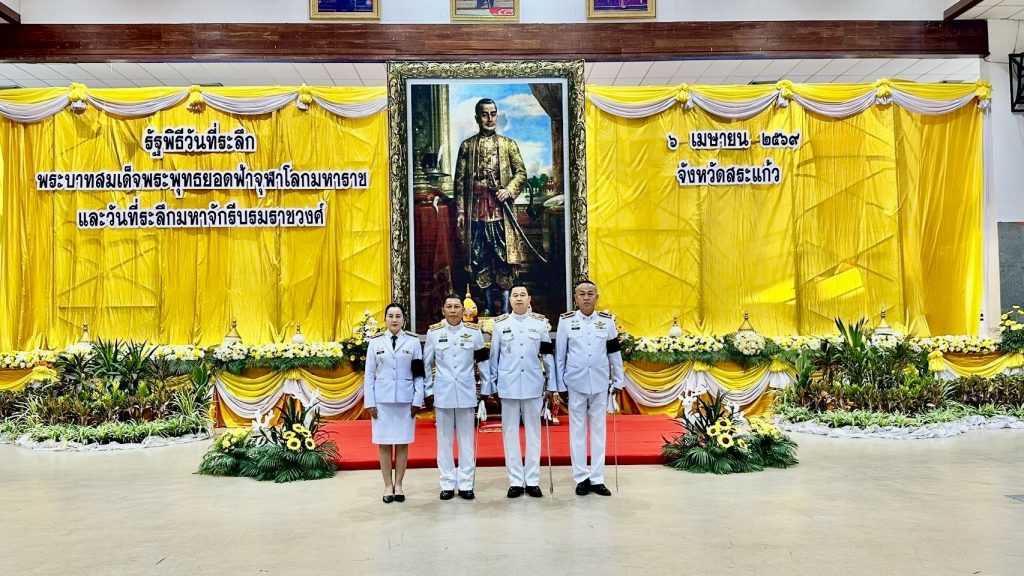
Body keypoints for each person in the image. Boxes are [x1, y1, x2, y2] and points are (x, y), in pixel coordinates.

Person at [453, 98, 528, 317]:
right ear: (477, 118)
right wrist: (460, 211)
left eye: (493, 114)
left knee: (503, 260)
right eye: (485, 114)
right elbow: (459, 183)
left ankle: (504, 308)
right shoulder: (467, 146)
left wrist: (509, 190)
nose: (489, 119)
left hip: (500, 214)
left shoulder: (508, 144)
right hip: (476, 215)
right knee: (480, 260)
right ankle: (486, 307)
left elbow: (521, 173)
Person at [482, 285, 558, 498]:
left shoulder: (540, 324)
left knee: (534, 433)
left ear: (529, 298)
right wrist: (492, 386)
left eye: (522, 295)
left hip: (533, 385)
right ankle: (515, 480)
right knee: (510, 434)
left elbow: (547, 356)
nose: (518, 298)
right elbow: (494, 358)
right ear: (510, 300)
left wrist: (552, 385)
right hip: (508, 386)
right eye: (515, 295)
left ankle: (532, 480)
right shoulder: (500, 325)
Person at [555, 280, 624, 497]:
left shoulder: (606, 322)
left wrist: (618, 381)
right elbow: (560, 355)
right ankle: (581, 477)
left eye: (590, 294)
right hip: (575, 383)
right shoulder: (566, 321)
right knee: (577, 432)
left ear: (597, 297)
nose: (586, 297)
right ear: (575, 298)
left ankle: (597, 478)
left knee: (599, 431)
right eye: (582, 294)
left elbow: (614, 353)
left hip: (600, 383)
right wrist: (559, 385)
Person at [423, 294, 488, 500]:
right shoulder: (434, 333)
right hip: (442, 393)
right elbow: (426, 364)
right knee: (444, 440)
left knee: (466, 440)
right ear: (443, 310)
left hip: (466, 392)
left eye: (456, 307)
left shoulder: (474, 333)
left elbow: (483, 362)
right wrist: (428, 390)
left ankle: (466, 483)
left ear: (463, 310)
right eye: (449, 307)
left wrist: (486, 388)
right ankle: (447, 483)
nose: (453, 310)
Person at [363, 303, 425, 504]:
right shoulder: (375, 343)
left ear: (404, 319)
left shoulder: (413, 342)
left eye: (398, 316)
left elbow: (418, 373)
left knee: (402, 443)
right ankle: (387, 486)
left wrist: (418, 398)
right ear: (385, 319)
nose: (394, 319)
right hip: (382, 401)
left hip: (406, 401)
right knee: (384, 444)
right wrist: (370, 402)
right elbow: (369, 375)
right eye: (390, 316)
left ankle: (398, 485)